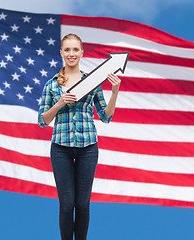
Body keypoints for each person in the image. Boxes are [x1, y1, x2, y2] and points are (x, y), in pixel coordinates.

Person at [38, 33, 121, 240]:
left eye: (75, 49)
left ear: (82, 53)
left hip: (88, 148)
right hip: (61, 148)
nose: (71, 53)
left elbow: (105, 116)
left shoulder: (92, 82)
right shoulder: (51, 85)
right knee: (66, 204)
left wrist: (115, 91)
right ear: (61, 53)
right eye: (67, 49)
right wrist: (59, 104)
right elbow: (42, 120)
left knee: (82, 204)